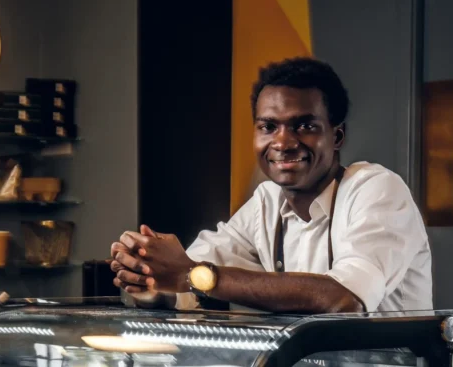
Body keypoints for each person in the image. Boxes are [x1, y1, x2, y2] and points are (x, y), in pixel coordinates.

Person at [110, 57, 432, 316]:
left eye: (304, 126)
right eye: (268, 126)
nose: (283, 142)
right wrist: (149, 277)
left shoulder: (376, 190)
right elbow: (188, 281)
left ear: (336, 137)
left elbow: (344, 299)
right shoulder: (266, 202)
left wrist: (192, 275)